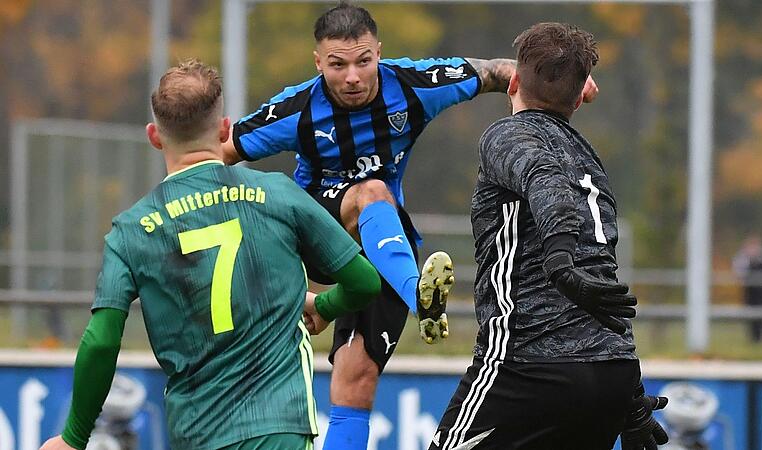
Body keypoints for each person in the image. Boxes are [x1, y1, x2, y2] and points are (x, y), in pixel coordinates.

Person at [223, 4, 600, 448]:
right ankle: (421, 299)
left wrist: (564, 80)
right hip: (312, 234)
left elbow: (498, 73)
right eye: (337, 65)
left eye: (363, 61)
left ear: (379, 53)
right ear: (318, 62)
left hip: (378, 244)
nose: (352, 77)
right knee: (372, 191)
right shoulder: (297, 110)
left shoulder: (414, 85)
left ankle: (366, 302)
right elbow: (219, 154)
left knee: (356, 378)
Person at [39, 59, 382, 450]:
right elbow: (364, 280)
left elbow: (101, 341)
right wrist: (323, 305)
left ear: (154, 136)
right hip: (278, 426)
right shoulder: (277, 193)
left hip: (198, 434)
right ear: (224, 129)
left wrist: (73, 437)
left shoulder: (131, 229)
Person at [429, 23, 668, 450]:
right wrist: (631, 397)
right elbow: (604, 279)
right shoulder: (588, 161)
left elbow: (548, 188)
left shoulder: (508, 135)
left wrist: (560, 266)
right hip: (611, 373)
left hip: (529, 364)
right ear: (579, 99)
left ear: (514, 81)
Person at [732, 235, 762, 343]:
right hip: (750, 291)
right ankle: (753, 339)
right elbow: (739, 272)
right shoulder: (743, 257)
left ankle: (760, 339)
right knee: (750, 315)